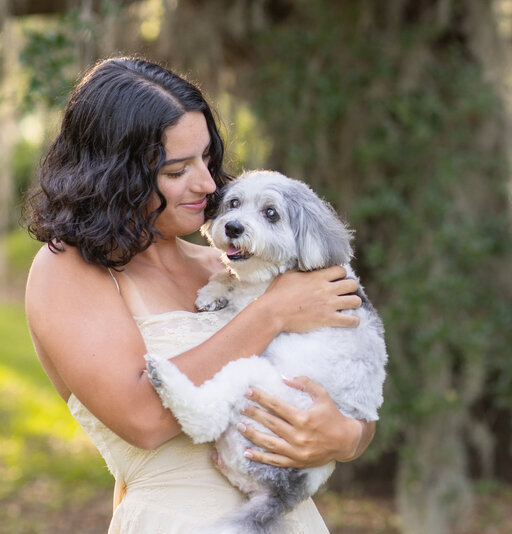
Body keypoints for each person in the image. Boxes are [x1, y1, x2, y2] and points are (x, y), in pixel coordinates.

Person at [24, 57, 375, 533]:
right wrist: (270, 314)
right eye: (177, 170)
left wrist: (347, 436)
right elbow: (144, 419)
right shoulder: (68, 271)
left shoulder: (230, 266)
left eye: (207, 159)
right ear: (114, 176)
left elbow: (350, 372)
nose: (209, 184)